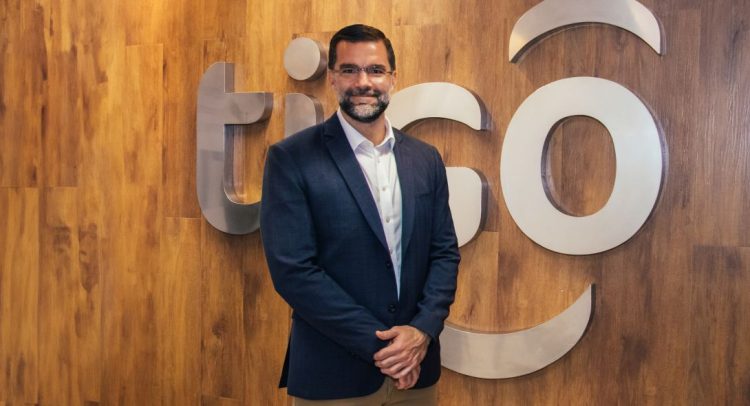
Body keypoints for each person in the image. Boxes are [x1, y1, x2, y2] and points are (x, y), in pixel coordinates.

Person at [260, 24, 460, 405]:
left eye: (375, 70)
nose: (363, 82)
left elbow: (444, 253)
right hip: (334, 376)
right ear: (332, 78)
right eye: (349, 70)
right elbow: (294, 272)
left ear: (393, 78)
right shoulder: (292, 159)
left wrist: (421, 332)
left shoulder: (425, 159)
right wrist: (385, 348)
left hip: (416, 375)